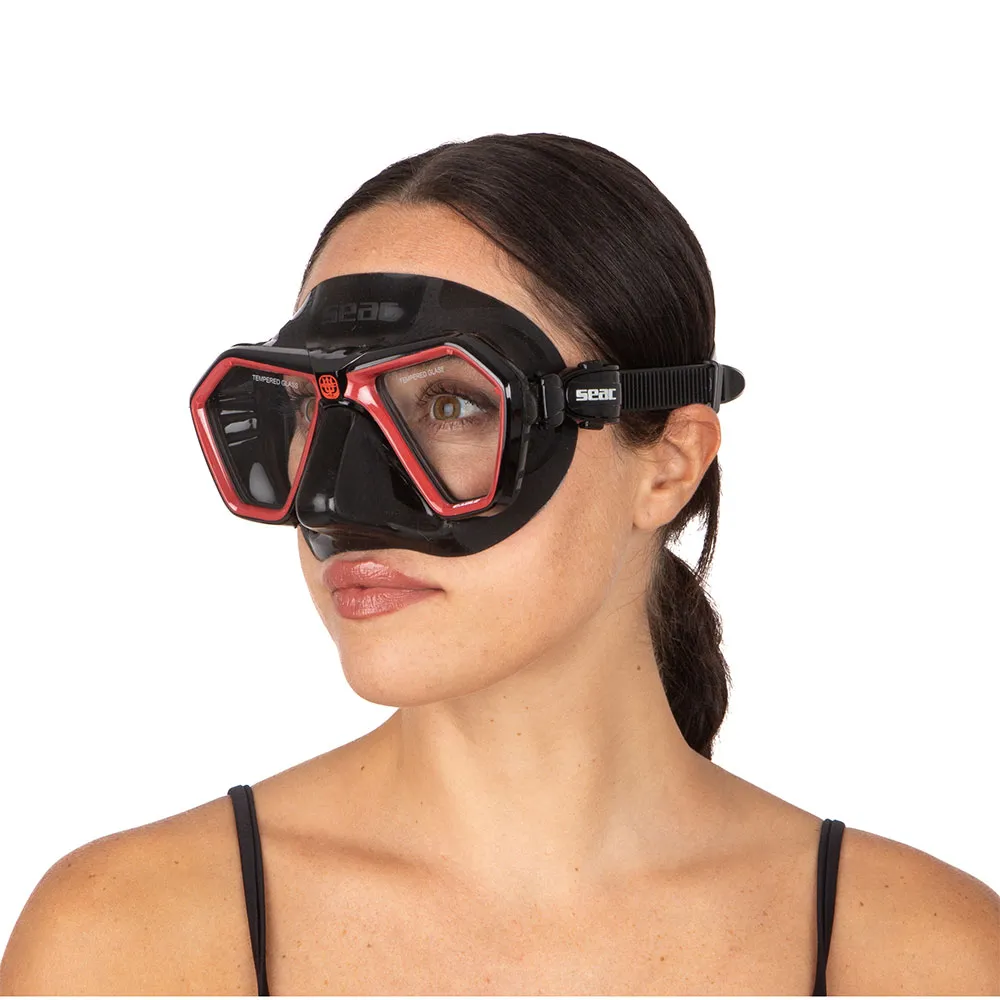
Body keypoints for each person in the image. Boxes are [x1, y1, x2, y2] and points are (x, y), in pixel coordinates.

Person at [1, 133, 997, 996]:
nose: (337, 501)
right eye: (311, 408)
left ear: (668, 464)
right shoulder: (128, 943)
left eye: (450, 404)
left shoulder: (922, 958)